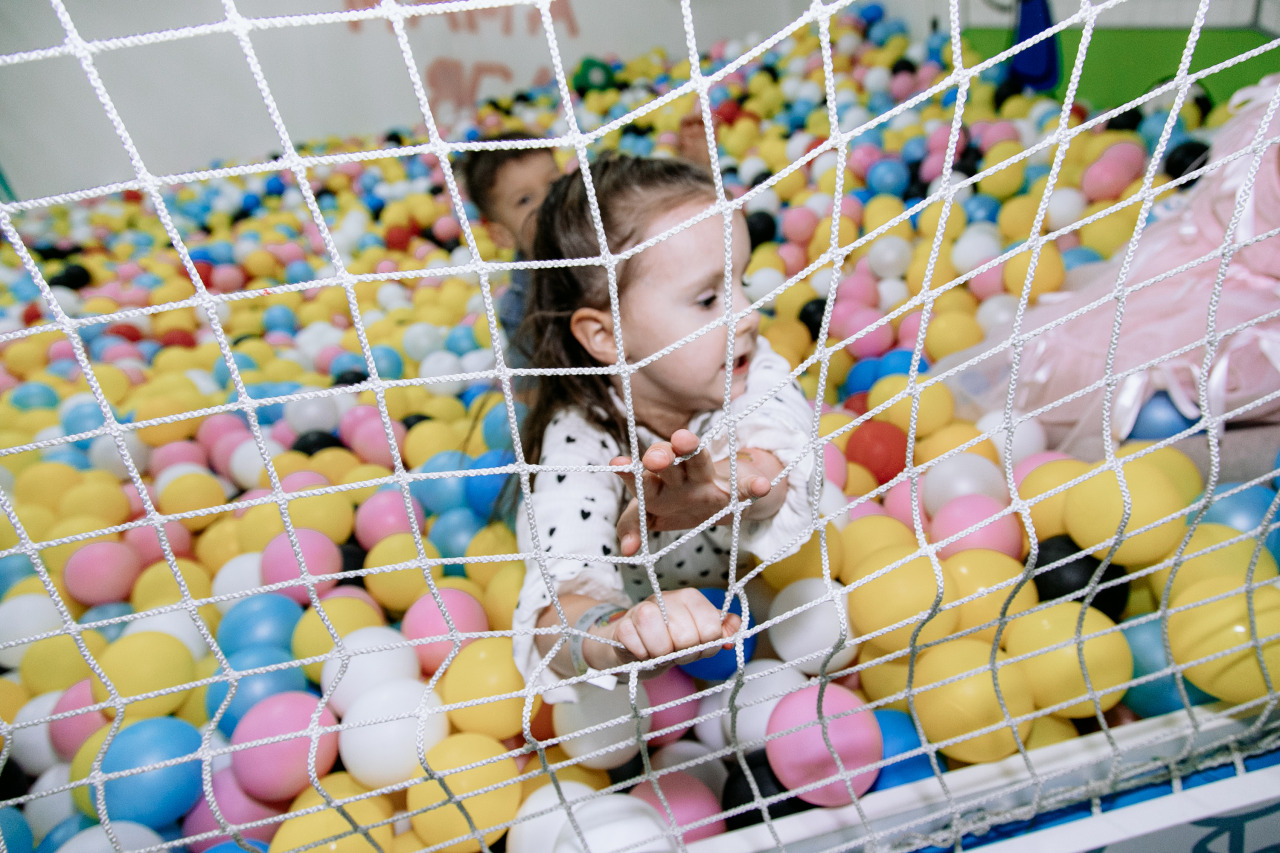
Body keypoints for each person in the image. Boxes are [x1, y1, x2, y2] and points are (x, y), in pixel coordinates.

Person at [510, 153, 818, 702]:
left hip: (763, 611)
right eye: (707, 299)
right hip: (653, 656)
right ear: (605, 337)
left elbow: (777, 463)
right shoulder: (579, 441)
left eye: (741, 282)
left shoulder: (756, 369)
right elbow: (557, 618)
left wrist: (728, 488)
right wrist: (625, 638)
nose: (748, 314)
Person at [459, 131, 562, 367]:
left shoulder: (608, 232)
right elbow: (532, 389)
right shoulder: (521, 308)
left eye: (555, 183)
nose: (550, 200)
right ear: (502, 235)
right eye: (525, 199)